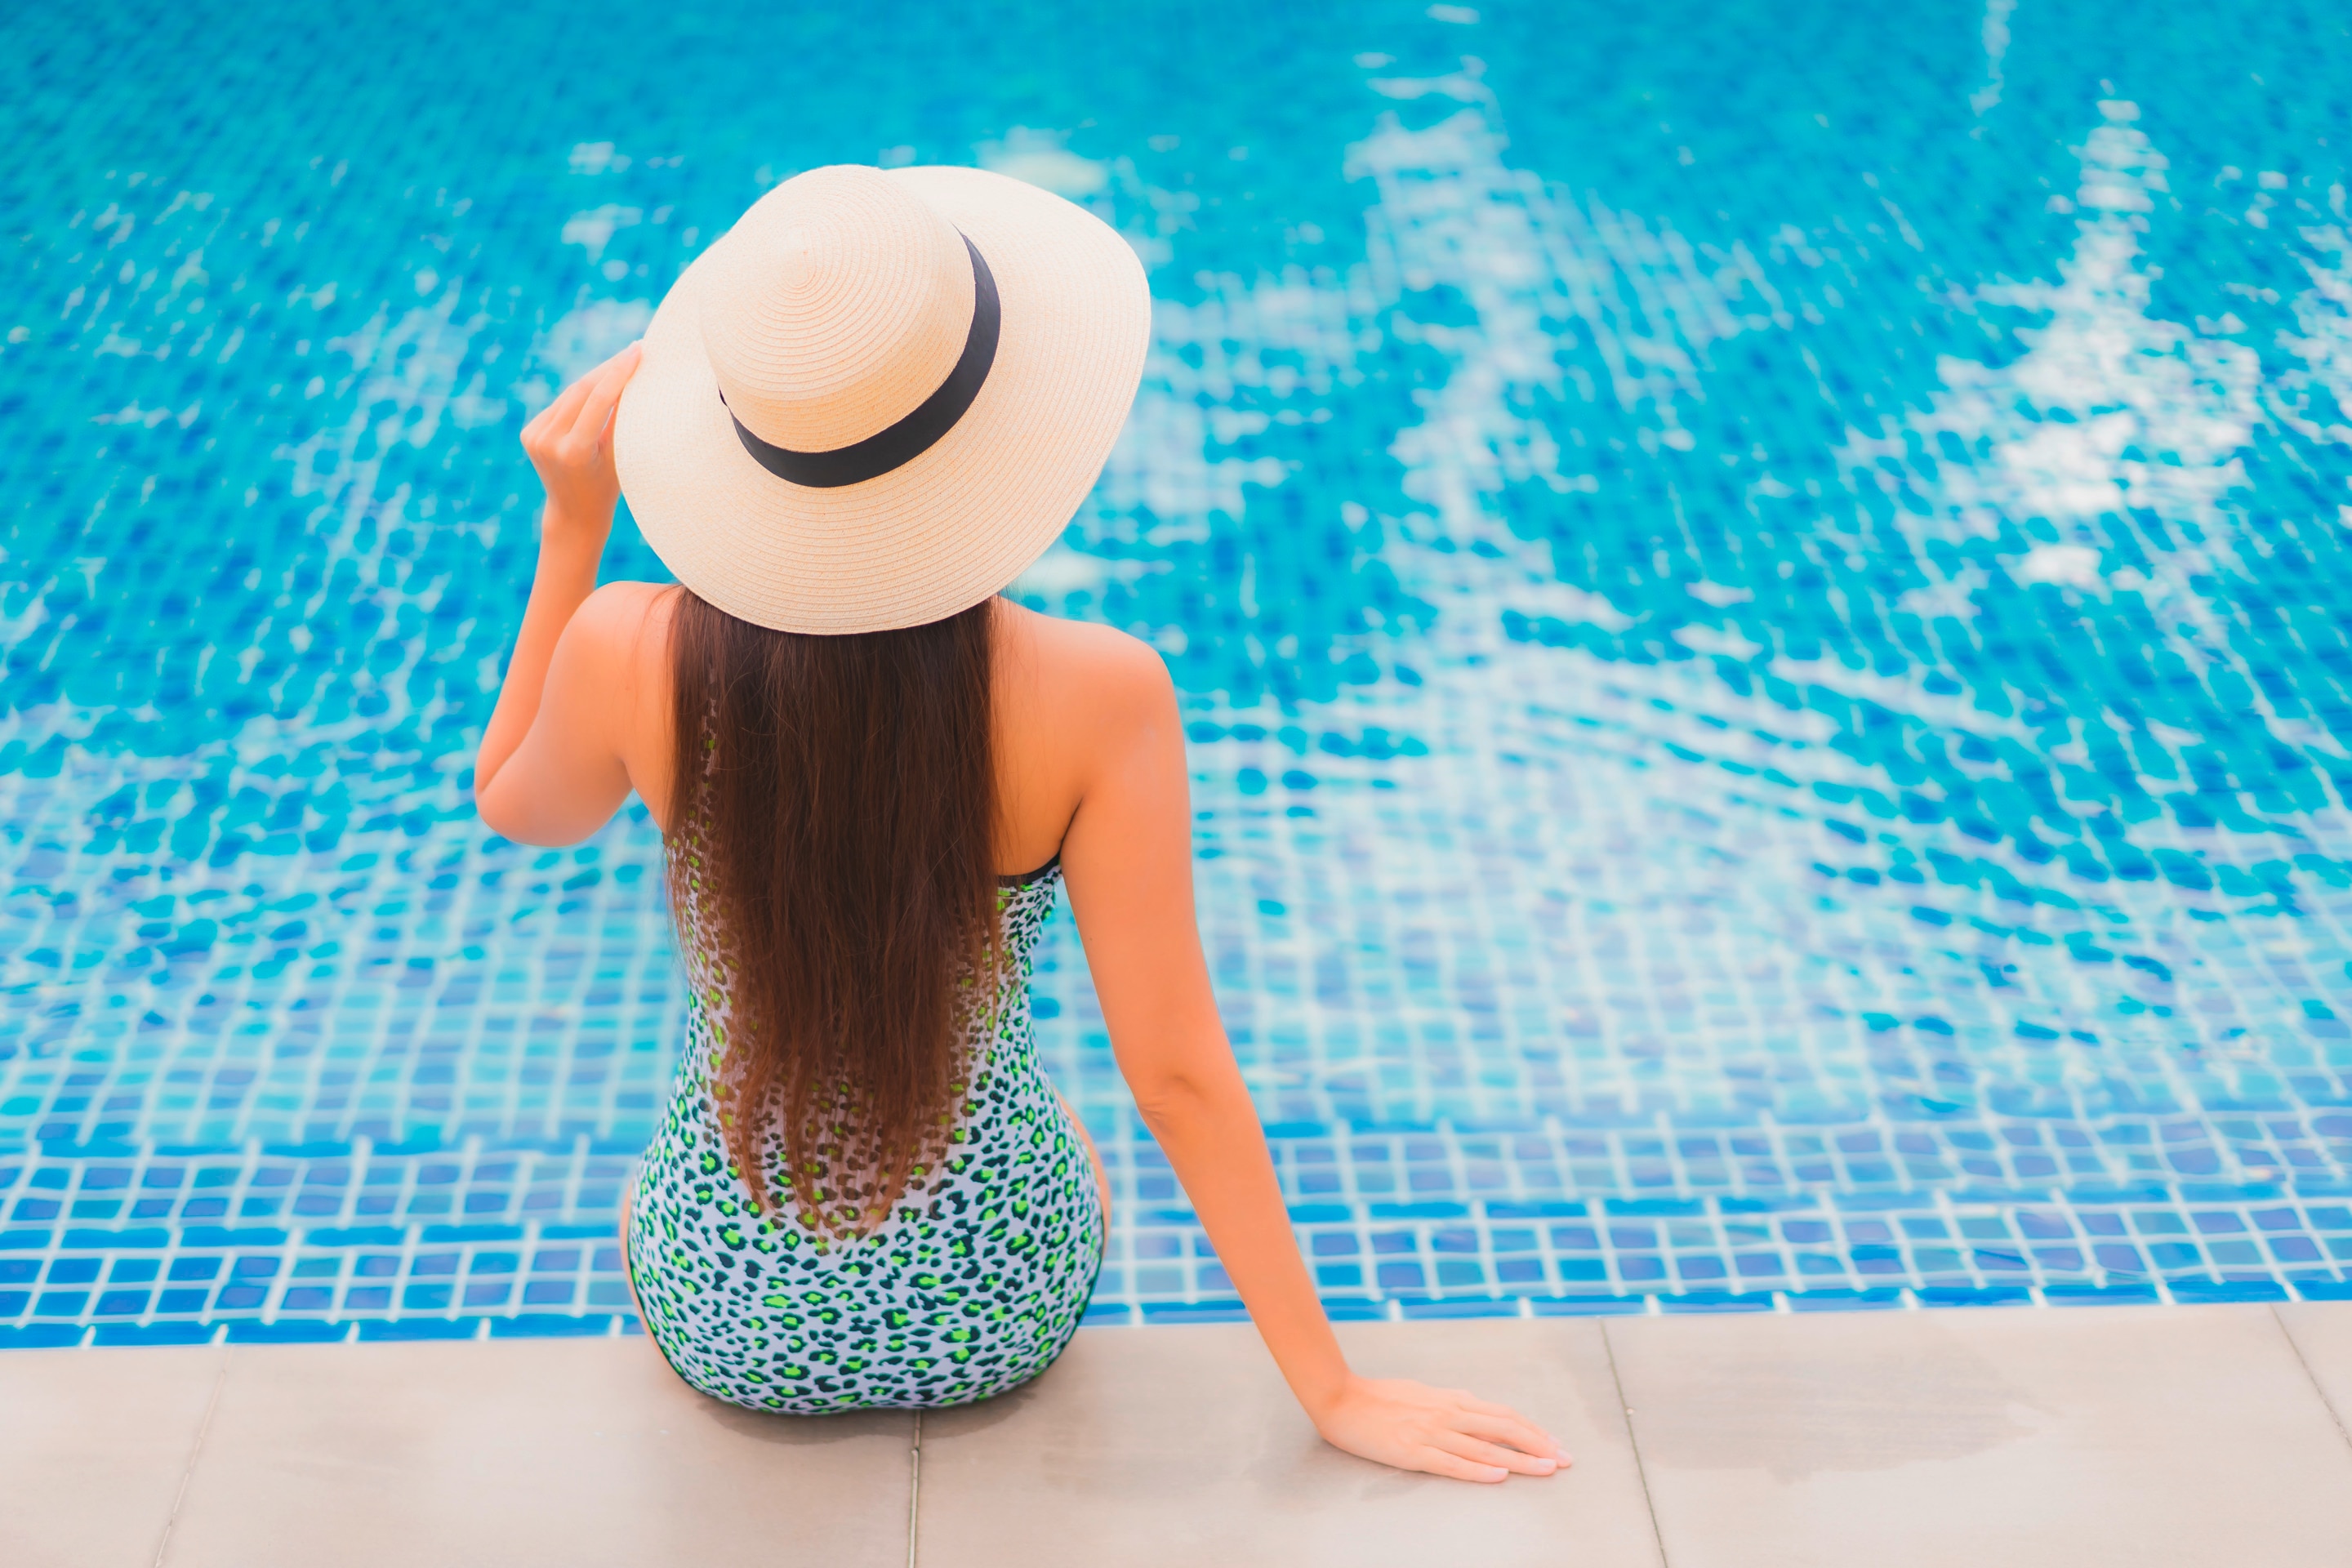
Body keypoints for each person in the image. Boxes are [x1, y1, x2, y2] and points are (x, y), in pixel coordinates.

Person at [472, 163, 1563, 1484]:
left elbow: (517, 808)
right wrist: (1331, 1390)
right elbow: (1174, 1074)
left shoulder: (625, 650)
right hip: (999, 1316)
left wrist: (572, 530)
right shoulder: (1101, 696)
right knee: (1080, 1138)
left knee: (666, 1180)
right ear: (992, 432)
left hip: (726, 1319)